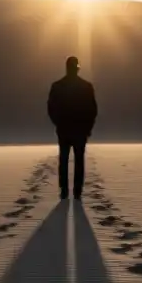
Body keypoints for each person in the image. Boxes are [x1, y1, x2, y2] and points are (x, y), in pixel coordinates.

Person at [47, 56, 97, 199]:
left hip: (64, 129)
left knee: (64, 159)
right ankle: (77, 191)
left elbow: (51, 108)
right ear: (77, 68)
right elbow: (92, 110)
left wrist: (58, 123)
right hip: (79, 130)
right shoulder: (86, 87)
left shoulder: (57, 86)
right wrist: (88, 127)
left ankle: (64, 191)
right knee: (78, 160)